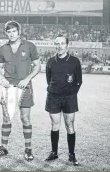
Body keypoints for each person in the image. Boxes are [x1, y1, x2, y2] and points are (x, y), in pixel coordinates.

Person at [0, 21, 41, 161]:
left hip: (25, 88)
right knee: (6, 118)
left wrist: (27, 79)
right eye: (9, 31)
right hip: (8, 89)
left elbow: (38, 67)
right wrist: (2, 78)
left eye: (14, 31)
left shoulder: (30, 46)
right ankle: (4, 147)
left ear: (19, 32)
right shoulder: (2, 49)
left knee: (25, 118)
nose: (11, 34)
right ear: (6, 33)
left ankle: (28, 149)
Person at [45, 34, 82, 166]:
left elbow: (79, 81)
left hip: (69, 98)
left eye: (62, 43)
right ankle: (54, 152)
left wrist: (71, 94)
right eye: (57, 43)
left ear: (67, 45)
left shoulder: (74, 61)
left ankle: (71, 154)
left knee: (69, 125)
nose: (59, 46)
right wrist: (55, 90)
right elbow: (48, 80)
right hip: (53, 97)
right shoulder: (50, 61)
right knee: (55, 125)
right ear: (55, 45)